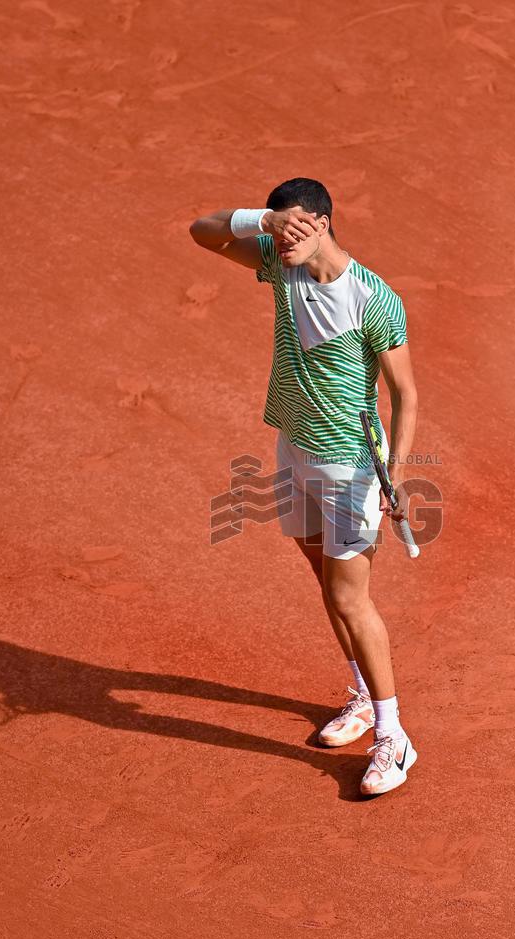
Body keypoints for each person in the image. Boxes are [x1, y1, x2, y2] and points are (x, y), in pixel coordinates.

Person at [189, 177, 419, 796]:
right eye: (279, 227)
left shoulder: (374, 299)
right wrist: (259, 221)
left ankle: (394, 737)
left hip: (349, 465)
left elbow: (405, 394)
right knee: (324, 578)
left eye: (294, 227)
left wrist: (397, 473)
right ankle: (364, 697)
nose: (285, 239)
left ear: (321, 223)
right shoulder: (279, 261)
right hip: (293, 447)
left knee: (350, 597)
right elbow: (202, 232)